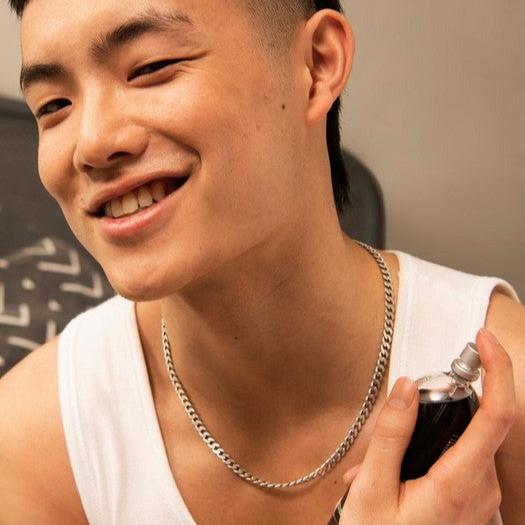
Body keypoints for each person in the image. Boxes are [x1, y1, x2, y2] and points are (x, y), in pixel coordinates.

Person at [1, 0, 524, 523]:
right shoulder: (33, 449)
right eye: (54, 105)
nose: (91, 144)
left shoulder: (511, 395)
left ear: (317, 64)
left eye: (151, 67)